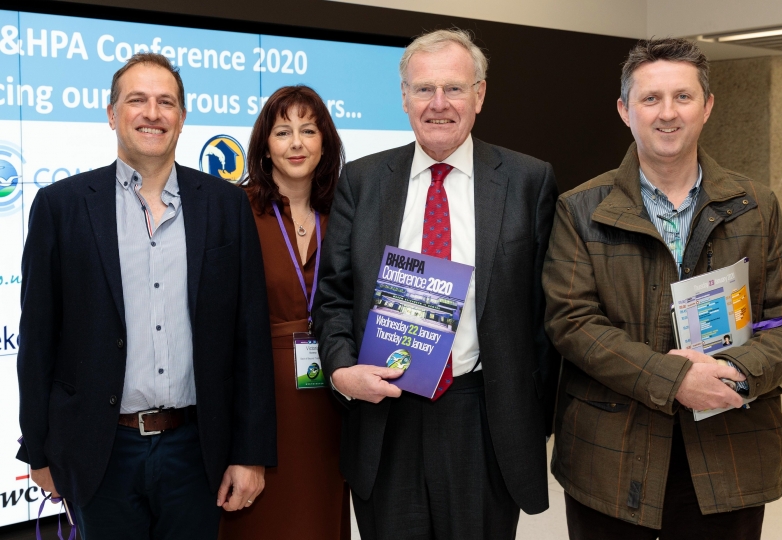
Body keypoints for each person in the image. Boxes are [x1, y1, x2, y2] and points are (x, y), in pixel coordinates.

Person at [543, 37, 782, 539]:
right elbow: (572, 323)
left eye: (683, 97)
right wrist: (675, 381)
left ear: (708, 106)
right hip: (612, 456)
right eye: (650, 99)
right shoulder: (581, 208)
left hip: (729, 450)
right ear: (624, 110)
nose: (667, 113)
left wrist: (734, 369)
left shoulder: (756, 205)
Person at [16, 53, 277, 539]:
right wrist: (39, 449)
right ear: (112, 114)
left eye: (166, 102)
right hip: (102, 450)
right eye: (137, 100)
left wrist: (251, 453)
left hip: (197, 450)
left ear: (182, 118)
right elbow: (37, 341)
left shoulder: (225, 206)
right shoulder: (61, 206)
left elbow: (249, 338)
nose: (152, 113)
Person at [313, 28, 559, 540]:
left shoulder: (527, 180)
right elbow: (333, 297)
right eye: (424, 89)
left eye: (454, 87)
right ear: (403, 97)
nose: (439, 104)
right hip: (386, 415)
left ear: (481, 94)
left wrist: (535, 412)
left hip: (484, 420)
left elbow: (546, 311)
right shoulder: (361, 181)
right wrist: (340, 372)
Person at [218, 85, 350, 539]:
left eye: (308, 130)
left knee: (317, 516)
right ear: (265, 146)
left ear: (325, 142)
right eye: (282, 131)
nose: (296, 143)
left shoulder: (345, 214)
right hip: (258, 393)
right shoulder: (234, 211)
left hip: (332, 394)